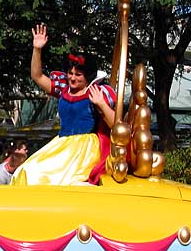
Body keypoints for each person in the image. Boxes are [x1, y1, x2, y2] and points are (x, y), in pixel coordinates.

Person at [12, 23, 116, 186]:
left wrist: (102, 104)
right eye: (70, 73)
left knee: (44, 177)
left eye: (78, 74)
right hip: (62, 144)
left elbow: (116, 125)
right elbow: (37, 76)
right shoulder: (64, 90)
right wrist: (37, 49)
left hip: (83, 149)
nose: (73, 78)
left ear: (87, 76)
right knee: (26, 171)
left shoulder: (96, 93)